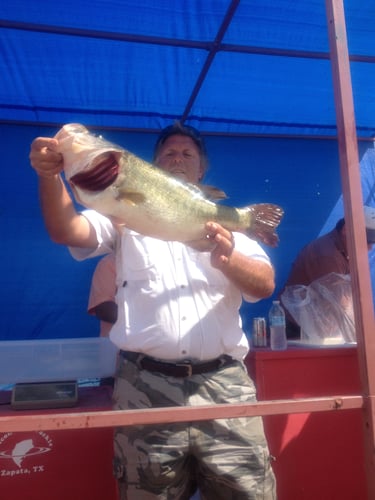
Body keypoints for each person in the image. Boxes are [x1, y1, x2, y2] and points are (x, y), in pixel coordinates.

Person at [30, 122, 277, 499]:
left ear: (201, 171)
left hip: (225, 386)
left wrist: (227, 259)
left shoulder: (232, 231)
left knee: (249, 491)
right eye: (168, 154)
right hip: (143, 385)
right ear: (154, 166)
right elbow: (67, 230)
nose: (177, 158)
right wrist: (49, 176)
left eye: (187, 153)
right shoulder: (122, 215)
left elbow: (264, 284)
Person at [281, 205, 375, 338]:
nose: (370, 247)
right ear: (347, 230)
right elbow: (340, 305)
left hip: (317, 328)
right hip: (298, 331)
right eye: (367, 240)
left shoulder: (345, 250)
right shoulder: (327, 255)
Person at [88, 252, 118, 337]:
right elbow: (104, 310)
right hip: (117, 346)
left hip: (157, 343)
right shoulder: (110, 262)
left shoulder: (158, 262)